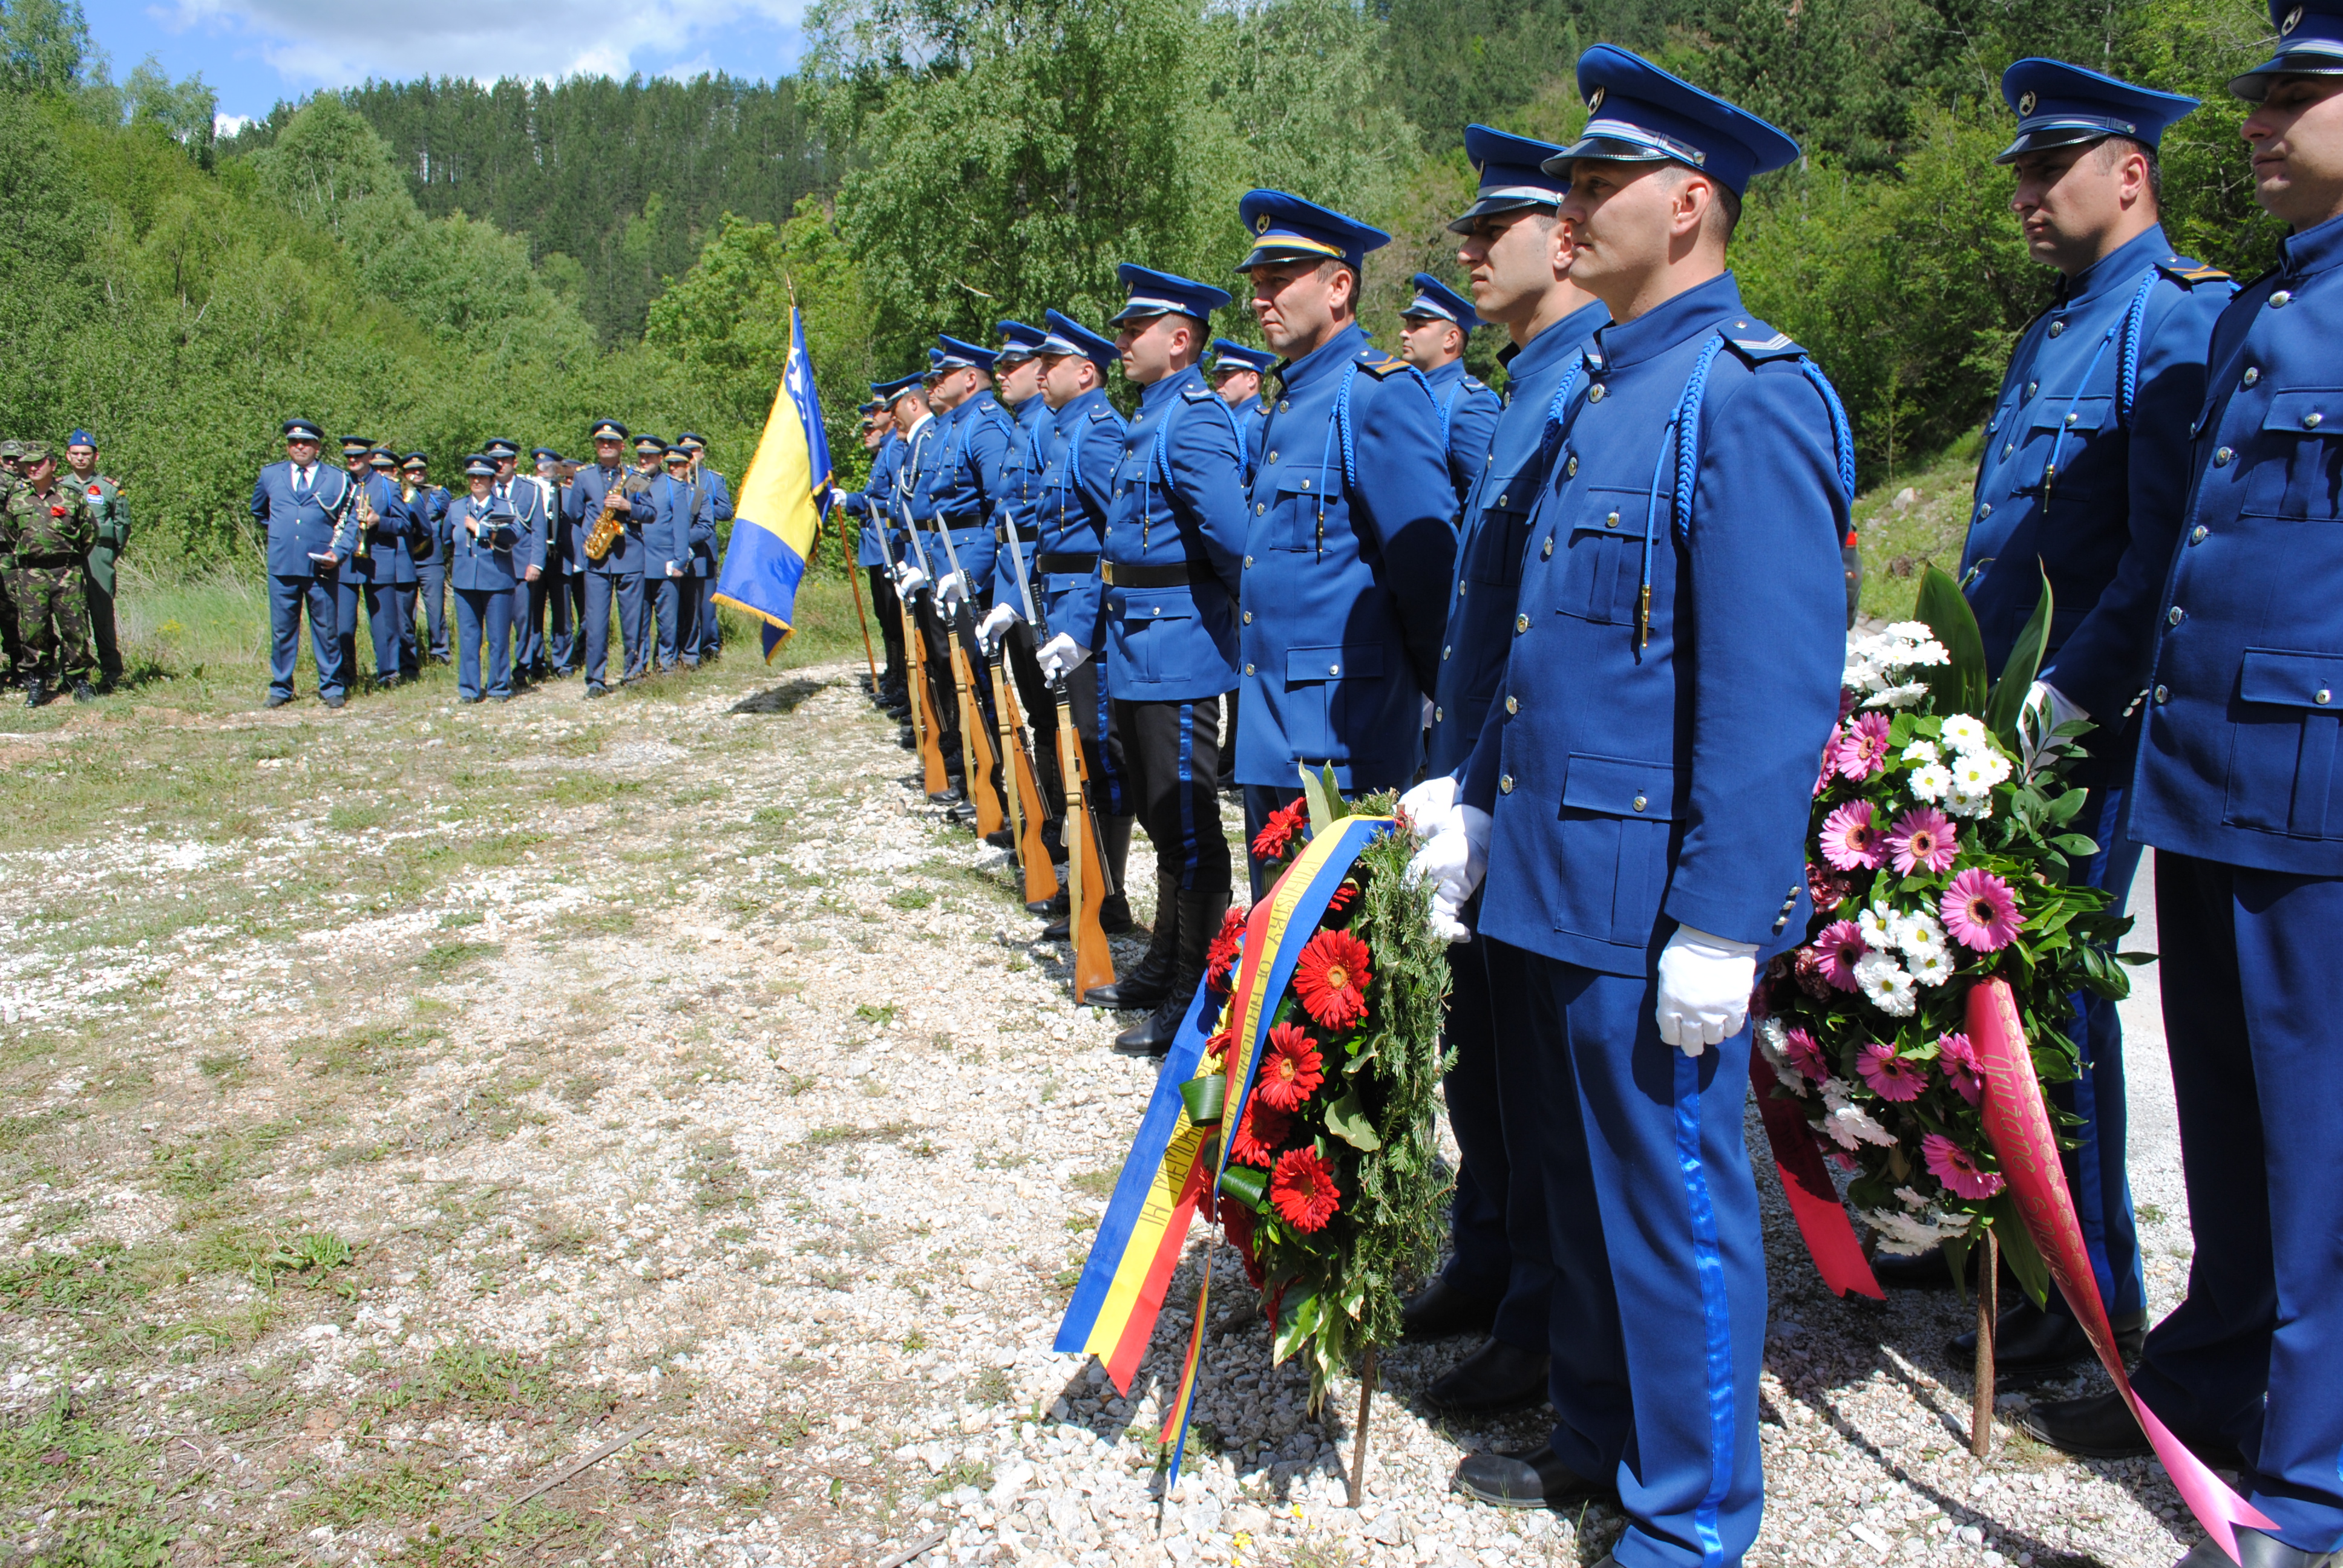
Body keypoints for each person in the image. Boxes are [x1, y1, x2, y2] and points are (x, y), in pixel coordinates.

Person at [1408, 50, 1853, 1560]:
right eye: (1574, 184)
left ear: (1690, 205)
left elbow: (1770, 691)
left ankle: (1694, 1508)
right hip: (1550, 869)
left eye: (1600, 185)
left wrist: (1725, 920)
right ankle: (1599, 1436)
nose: (1573, 205)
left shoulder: (1745, 397)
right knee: (1586, 1193)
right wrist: (1474, 805)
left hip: (1646, 892)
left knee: (1671, 1203)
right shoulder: (1609, 385)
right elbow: (1541, 657)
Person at [2016, 16, 2343, 1566]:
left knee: (2322, 1137)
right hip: (2211, 773)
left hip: (2322, 785)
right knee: (2225, 1114)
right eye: (2262, 95)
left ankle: (2320, 1473)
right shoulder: (2271, 303)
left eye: (2297, 95)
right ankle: (2215, 1372)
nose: (2262, 122)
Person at [1909, 62, 2234, 1381]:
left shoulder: (2173, 319)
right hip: (1986, 724)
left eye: (2053, 171)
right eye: (2022, 177)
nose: (2030, 197)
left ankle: (2091, 1303)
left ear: (2130, 173)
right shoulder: (2057, 328)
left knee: (2057, 1020)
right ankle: (2003, 1258)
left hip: (2073, 741)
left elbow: (2155, 557)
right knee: (1977, 1005)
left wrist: (2062, 700)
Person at [1393, 124, 1612, 1422]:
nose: (1468, 250)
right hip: (1476, 775)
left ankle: (1541, 1314)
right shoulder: (1538, 380)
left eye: (1495, 230)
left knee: (1543, 1088)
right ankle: (1495, 1259)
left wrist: (1483, 774)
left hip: (1533, 786)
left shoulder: (1584, 384)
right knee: (1480, 1056)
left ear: (1565, 243)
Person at [1233, 190, 1458, 895]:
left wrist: (1432, 721)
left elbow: (1427, 580)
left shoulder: (1374, 395)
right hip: (1272, 733)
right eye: (1256, 284)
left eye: (1279, 280)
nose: (1260, 298)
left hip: (1344, 745)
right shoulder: (1290, 401)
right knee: (1272, 954)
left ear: (1338, 287)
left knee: (1335, 966)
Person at [1083, 265, 1250, 1053]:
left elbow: (1236, 546)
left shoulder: (1195, 419)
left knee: (1187, 823)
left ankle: (1196, 992)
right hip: (1134, 644)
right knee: (1158, 812)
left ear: (1179, 340)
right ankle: (1161, 960)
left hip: (1178, 648)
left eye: (1133, 329)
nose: (1121, 341)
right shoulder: (1149, 415)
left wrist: (1219, 630)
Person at [1023, 310, 1132, 938]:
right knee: (1075, 752)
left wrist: (1084, 627)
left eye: (1050, 364)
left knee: (1097, 752)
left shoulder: (1094, 434)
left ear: (1084, 372)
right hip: (1058, 607)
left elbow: (1111, 541)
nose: (1039, 374)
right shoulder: (1064, 431)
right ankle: (1089, 884)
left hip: (1083, 618)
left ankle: (1105, 894)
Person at [250, 418, 353, 710]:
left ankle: (331, 686)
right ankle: (281, 687)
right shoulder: (270, 475)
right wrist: (284, 536)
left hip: (322, 566)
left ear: (317, 447)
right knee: (283, 630)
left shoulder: (337, 478)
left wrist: (338, 553)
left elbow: (349, 522)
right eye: (295, 442)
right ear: (288, 446)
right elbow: (259, 511)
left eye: (306, 443)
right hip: (283, 566)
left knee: (326, 628)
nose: (300, 447)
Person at [563, 419, 654, 698]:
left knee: (634, 619)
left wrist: (629, 506)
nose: (606, 446)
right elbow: (575, 514)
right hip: (597, 558)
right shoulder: (584, 476)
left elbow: (650, 513)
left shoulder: (635, 475)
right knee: (596, 620)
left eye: (612, 442)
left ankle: (635, 672)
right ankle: (595, 679)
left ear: (621, 447)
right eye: (602, 442)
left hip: (630, 554)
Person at [1398, 274, 1504, 510]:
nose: (1405, 333)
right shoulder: (1407, 390)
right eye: (1407, 324)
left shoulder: (1468, 403)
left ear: (1451, 338)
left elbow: (1487, 502)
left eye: (1418, 325)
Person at [5, 442, 99, 706]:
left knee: (75, 627)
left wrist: (68, 558)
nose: (33, 468)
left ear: (53, 465)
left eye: (39, 463)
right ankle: (37, 681)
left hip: (67, 571)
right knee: (33, 630)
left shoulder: (70, 497)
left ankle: (77, 679)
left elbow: (89, 533)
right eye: (28, 464)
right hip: (31, 573)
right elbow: (12, 534)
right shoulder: (18, 500)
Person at [448, 454, 529, 704]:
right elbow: (446, 539)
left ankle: (498, 687)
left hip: (497, 580)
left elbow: (514, 535)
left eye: (482, 477)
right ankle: (470, 690)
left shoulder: (505, 506)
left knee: (498, 637)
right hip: (465, 581)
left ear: (492, 480)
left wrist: (480, 529)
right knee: (469, 637)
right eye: (473, 476)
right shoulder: (456, 507)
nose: (476, 481)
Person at [62, 431, 128, 690]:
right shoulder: (60, 486)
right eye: (76, 454)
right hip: (69, 557)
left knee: (102, 614)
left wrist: (110, 555)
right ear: (68, 456)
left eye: (86, 454)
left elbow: (123, 526)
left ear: (95, 456)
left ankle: (111, 672)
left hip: (99, 556)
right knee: (69, 615)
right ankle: (74, 674)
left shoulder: (109, 489)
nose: (80, 459)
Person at [647, 445, 715, 671]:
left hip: (691, 560)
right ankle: (665, 657)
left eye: (678, 464)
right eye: (670, 465)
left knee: (691, 609)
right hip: (665, 560)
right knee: (668, 614)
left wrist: (684, 540)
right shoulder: (662, 489)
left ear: (688, 467)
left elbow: (706, 527)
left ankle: (690, 656)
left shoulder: (696, 495)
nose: (674, 468)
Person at [357, 448, 418, 687]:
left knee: (385, 623)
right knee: (342, 624)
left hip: (380, 560)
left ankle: (389, 675)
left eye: (359, 455)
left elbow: (407, 525)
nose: (354, 460)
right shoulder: (340, 483)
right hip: (344, 562)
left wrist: (379, 522)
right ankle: (346, 675)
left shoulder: (389, 487)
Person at [679, 434, 731, 663]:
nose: (691, 455)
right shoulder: (674, 479)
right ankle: (684, 647)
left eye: (695, 450)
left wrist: (705, 502)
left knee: (706, 604)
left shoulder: (713, 480)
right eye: (686, 451)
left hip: (705, 550)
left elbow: (727, 512)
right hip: (679, 548)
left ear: (702, 454)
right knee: (682, 602)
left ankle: (710, 647)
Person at [398, 453, 451, 675]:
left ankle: (441, 653)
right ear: (405, 473)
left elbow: (442, 518)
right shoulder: (396, 493)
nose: (416, 474)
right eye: (411, 471)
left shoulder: (438, 493)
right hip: (405, 560)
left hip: (431, 560)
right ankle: (408, 658)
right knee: (405, 613)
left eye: (420, 470)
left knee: (435, 611)